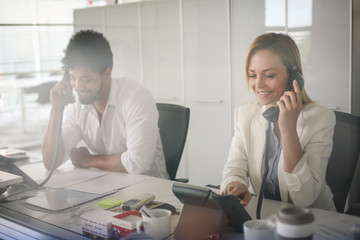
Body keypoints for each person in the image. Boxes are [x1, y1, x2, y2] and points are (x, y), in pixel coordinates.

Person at [221, 32, 336, 211]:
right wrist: (235, 184)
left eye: (269, 75)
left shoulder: (321, 119)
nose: (258, 84)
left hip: (312, 219)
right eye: (252, 75)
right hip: (265, 215)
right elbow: (234, 167)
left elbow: (305, 198)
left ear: (293, 77)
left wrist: (288, 129)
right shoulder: (245, 115)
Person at [42, 30, 169, 179]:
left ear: (107, 74)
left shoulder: (136, 97)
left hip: (148, 190)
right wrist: (56, 109)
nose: (78, 86)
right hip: (103, 186)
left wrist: (88, 160)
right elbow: (51, 162)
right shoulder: (77, 106)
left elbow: (137, 163)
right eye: (72, 78)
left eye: (86, 79)